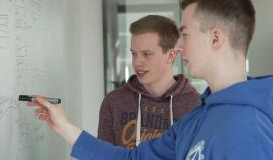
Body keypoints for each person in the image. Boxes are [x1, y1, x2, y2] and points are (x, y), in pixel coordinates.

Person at [27, 0, 273, 159]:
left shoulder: (249, 128)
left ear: (216, 38)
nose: (179, 46)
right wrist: (64, 127)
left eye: (185, 35)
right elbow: (131, 159)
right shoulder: (197, 118)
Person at [97, 15, 200, 148]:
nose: (137, 62)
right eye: (134, 54)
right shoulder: (113, 102)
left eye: (147, 54)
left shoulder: (195, 105)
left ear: (171, 55)